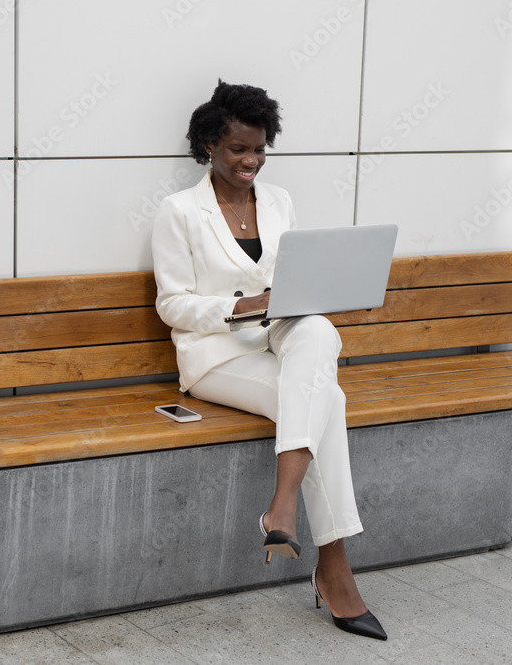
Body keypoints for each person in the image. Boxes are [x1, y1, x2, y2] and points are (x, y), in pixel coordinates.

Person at [150, 80, 386, 641]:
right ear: (209, 144)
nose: (251, 160)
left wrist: (300, 294)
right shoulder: (178, 211)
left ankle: (281, 509)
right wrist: (241, 306)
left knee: (319, 330)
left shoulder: (278, 201)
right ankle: (334, 570)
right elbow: (171, 305)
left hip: (282, 337)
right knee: (326, 397)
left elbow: (294, 273)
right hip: (215, 355)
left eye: (259, 149)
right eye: (238, 149)